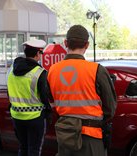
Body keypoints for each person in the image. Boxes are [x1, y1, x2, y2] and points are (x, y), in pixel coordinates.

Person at [47, 25, 117, 156]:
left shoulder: (52, 70)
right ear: (87, 45)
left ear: (66, 43)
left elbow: (51, 102)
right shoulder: (97, 70)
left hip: (65, 136)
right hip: (91, 136)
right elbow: (110, 108)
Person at [7, 39, 51, 156]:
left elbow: (9, 92)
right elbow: (45, 97)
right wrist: (49, 111)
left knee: (23, 147)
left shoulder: (11, 70)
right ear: (37, 54)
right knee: (34, 150)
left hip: (16, 116)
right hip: (35, 118)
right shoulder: (40, 73)